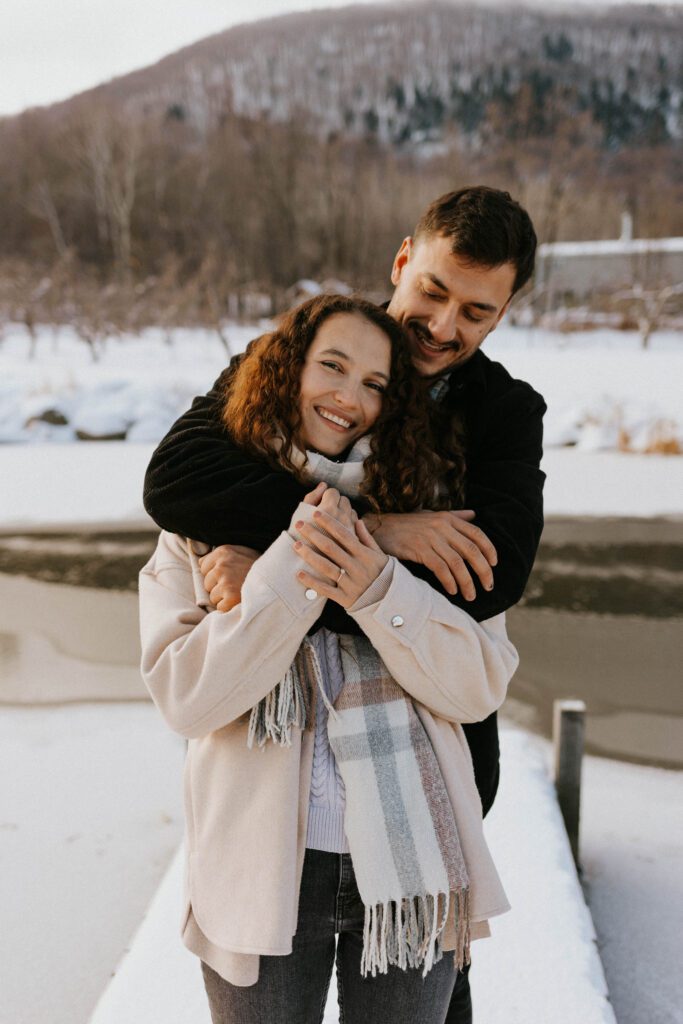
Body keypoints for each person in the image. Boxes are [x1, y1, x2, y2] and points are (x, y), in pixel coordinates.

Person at [142, 185, 547, 1022]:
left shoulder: (499, 415)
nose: (441, 326)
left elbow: (489, 577)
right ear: (403, 261)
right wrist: (378, 535)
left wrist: (285, 565)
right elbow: (174, 481)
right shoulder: (306, 349)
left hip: (427, 801)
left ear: (502, 313)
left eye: (475, 310)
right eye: (432, 291)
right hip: (265, 831)